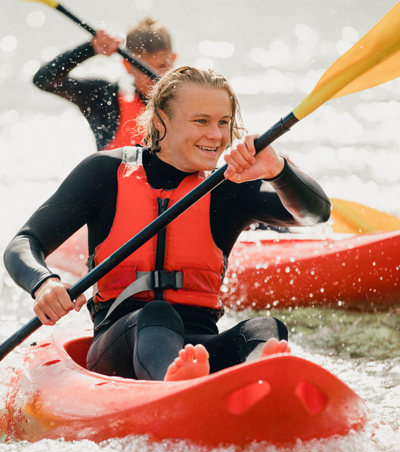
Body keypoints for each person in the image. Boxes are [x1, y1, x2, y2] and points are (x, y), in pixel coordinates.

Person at [4, 66, 331, 382]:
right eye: (201, 121)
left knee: (266, 328)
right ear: (161, 120)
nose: (216, 135)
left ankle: (261, 381)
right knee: (156, 314)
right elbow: (24, 242)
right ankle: (176, 387)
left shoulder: (229, 188)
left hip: (198, 349)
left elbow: (316, 214)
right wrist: (44, 283)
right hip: (120, 345)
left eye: (223, 122)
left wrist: (279, 169)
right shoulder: (105, 174)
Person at [33, 17, 177, 151]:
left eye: (162, 65)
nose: (153, 77)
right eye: (143, 68)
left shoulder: (187, 101)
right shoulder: (104, 99)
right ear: (127, 65)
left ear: (174, 59)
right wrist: (90, 48)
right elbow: (43, 81)